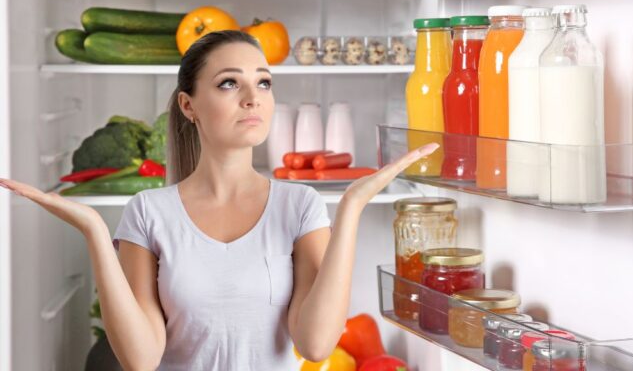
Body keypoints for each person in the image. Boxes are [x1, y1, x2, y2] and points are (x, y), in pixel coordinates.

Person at [0, 30, 438, 370]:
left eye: (263, 83)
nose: (253, 98)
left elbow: (316, 343)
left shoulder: (299, 206)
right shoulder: (150, 212)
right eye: (229, 83)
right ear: (189, 106)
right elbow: (142, 359)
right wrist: (95, 232)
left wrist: (350, 211)